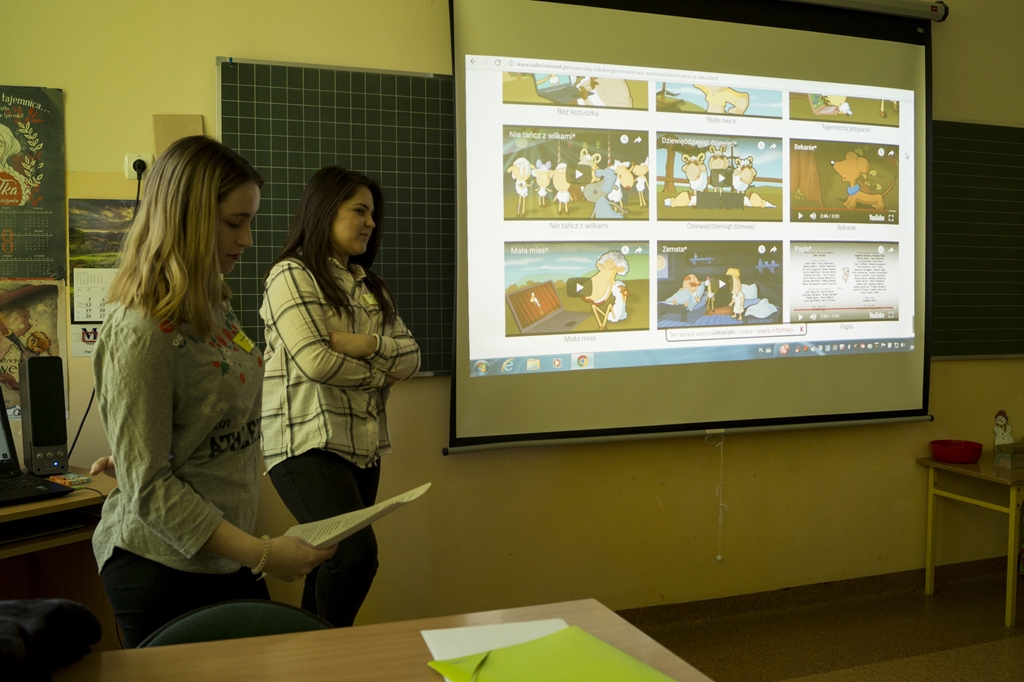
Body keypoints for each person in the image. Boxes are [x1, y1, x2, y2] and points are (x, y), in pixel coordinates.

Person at [88, 136, 336, 648]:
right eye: (234, 222)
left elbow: (203, 412)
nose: (247, 239)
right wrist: (263, 554)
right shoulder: (139, 331)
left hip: (225, 556)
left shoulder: (213, 304)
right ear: (187, 220)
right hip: (162, 567)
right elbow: (150, 488)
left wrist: (163, 447)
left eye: (250, 221)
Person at [260, 166, 420, 626]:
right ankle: (327, 653)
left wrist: (363, 344)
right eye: (360, 211)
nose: (371, 222)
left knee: (330, 559)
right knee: (355, 557)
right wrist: (379, 375)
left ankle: (309, 654)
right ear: (325, 210)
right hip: (305, 442)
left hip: (362, 446)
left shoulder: (371, 286)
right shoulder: (291, 274)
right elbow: (316, 361)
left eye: (373, 214)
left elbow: (411, 358)